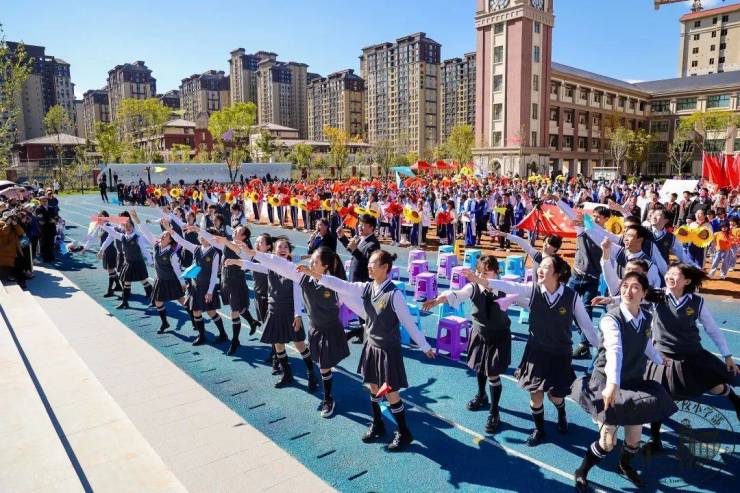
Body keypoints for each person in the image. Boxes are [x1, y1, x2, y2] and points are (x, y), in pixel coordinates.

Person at [470, 255, 599, 447]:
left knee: (555, 396)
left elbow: (587, 327)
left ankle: (561, 412)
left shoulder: (572, 297)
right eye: (540, 266)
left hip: (560, 354)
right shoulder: (534, 290)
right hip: (536, 353)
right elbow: (511, 286)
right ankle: (539, 429)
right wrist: (483, 281)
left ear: (557, 273)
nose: (539, 269)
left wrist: (602, 349)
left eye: (545, 267)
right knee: (535, 395)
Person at [314, 249, 435, 451]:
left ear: (385, 268)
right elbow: (344, 286)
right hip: (371, 346)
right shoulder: (368, 287)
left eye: (373, 264)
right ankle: (378, 424)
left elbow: (408, 323)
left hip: (388, 351)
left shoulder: (394, 295)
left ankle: (404, 432)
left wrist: (425, 346)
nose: (369, 267)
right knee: (373, 387)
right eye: (369, 263)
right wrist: (318, 276)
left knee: (391, 393)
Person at [571, 272, 676, 491]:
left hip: (633, 383)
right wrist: (612, 384)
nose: (628, 291)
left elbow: (645, 343)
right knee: (608, 442)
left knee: (634, 439)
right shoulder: (611, 319)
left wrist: (660, 359)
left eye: (635, 287)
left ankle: (624, 465)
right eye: (625, 285)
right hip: (607, 382)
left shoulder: (646, 317)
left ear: (644, 293)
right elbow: (615, 351)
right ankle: (581, 470)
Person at [246, 246, 351, 417]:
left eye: (315, 262)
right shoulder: (303, 278)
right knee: (322, 365)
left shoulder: (336, 284)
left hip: (331, 330)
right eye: (311, 260)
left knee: (324, 366)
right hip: (315, 330)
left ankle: (328, 398)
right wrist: (255, 254)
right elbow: (280, 264)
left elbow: (355, 300)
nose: (311, 263)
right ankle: (317, 386)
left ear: (325, 266)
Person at [644, 263, 739, 450]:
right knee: (659, 395)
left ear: (687, 281)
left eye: (675, 274)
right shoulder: (657, 296)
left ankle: (734, 399)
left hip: (692, 355)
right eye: (668, 273)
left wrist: (727, 355)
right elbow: (629, 297)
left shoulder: (696, 302)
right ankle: (655, 439)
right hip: (663, 356)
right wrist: (610, 299)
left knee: (713, 387)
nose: (669, 276)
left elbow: (712, 329)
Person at [422, 255, 511, 433]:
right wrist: (438, 300)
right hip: (480, 334)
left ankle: (494, 412)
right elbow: (457, 294)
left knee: (493, 373)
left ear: (496, 273)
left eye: (486, 273)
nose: (481, 276)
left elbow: (526, 299)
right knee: (480, 367)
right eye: (479, 272)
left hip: (498, 337)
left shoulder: (504, 288)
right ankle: (481, 395)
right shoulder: (473, 287)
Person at [232, 237, 315, 390]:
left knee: (300, 345)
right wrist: (236, 262)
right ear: (274, 251)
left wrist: (297, 315)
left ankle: (311, 374)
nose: (283, 249)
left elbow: (297, 294)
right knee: (278, 344)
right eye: (279, 247)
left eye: (285, 247)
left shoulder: (293, 268)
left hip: (290, 311)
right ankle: (287, 374)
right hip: (274, 310)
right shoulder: (270, 267)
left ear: (289, 251)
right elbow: (253, 265)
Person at [200, 225, 261, 355]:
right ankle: (252, 321)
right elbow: (211, 239)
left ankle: (235, 341)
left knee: (234, 312)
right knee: (238, 307)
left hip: (237, 283)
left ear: (243, 236)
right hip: (226, 281)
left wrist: (225, 241)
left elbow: (237, 251)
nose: (234, 231)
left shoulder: (244, 248)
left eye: (238, 231)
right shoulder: (227, 244)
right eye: (235, 229)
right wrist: (197, 230)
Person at [164, 222, 228, 346]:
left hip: (207, 287)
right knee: (196, 311)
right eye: (201, 235)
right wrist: (170, 230)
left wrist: (210, 291)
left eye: (205, 236)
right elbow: (181, 241)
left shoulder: (215, 253)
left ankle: (223, 334)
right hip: (195, 286)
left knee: (211, 312)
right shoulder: (196, 248)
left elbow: (214, 274)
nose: (202, 237)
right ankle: (202, 335)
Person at [134, 215, 187, 333]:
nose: (163, 235)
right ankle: (165, 323)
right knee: (158, 302)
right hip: (160, 280)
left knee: (182, 301)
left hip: (171, 280)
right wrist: (136, 218)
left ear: (170, 240)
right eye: (163, 234)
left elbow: (177, 270)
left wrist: (182, 283)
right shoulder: (156, 245)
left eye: (166, 235)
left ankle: (194, 319)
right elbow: (145, 231)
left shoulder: (172, 254)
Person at [337, 214, 380, 343]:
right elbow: (353, 250)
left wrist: (355, 250)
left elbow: (370, 263)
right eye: (359, 224)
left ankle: (367, 337)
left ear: (371, 228)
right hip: (355, 280)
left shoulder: (373, 244)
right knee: (359, 310)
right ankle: (362, 334)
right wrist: (342, 237)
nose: (360, 227)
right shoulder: (361, 238)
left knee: (364, 311)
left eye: (363, 225)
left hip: (363, 282)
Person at [100, 215, 153, 310]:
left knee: (144, 281)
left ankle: (153, 298)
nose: (128, 227)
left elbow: (144, 251)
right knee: (126, 283)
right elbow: (112, 232)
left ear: (133, 227)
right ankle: (125, 302)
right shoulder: (122, 237)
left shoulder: (138, 238)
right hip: (128, 263)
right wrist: (102, 224)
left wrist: (150, 261)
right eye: (126, 226)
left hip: (138, 263)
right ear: (123, 227)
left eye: (129, 226)